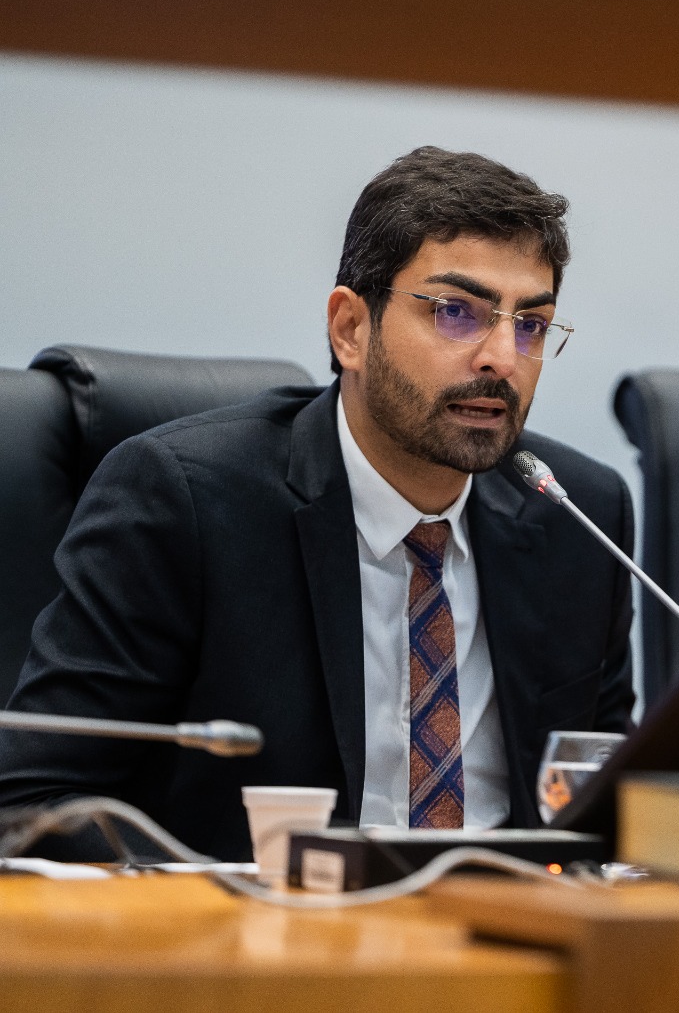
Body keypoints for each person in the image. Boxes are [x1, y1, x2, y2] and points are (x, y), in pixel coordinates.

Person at [0, 147, 635, 859]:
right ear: (350, 330)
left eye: (532, 324)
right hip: (262, 944)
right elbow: (30, 805)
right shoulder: (183, 500)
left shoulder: (579, 517)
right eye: (457, 312)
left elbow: (612, 807)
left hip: (513, 945)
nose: (502, 357)